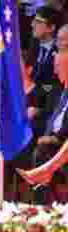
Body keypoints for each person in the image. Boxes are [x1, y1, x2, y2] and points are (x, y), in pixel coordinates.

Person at [19, 50, 68, 197]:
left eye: (58, 66)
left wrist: (56, 137)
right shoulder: (57, 92)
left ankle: (40, 202)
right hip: (49, 139)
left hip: (60, 141)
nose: (54, 70)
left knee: (41, 149)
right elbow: (48, 120)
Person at [30, 6, 60, 90]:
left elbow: (56, 87)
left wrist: (37, 89)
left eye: (38, 22)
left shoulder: (61, 51)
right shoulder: (32, 45)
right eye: (33, 21)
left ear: (51, 28)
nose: (32, 25)